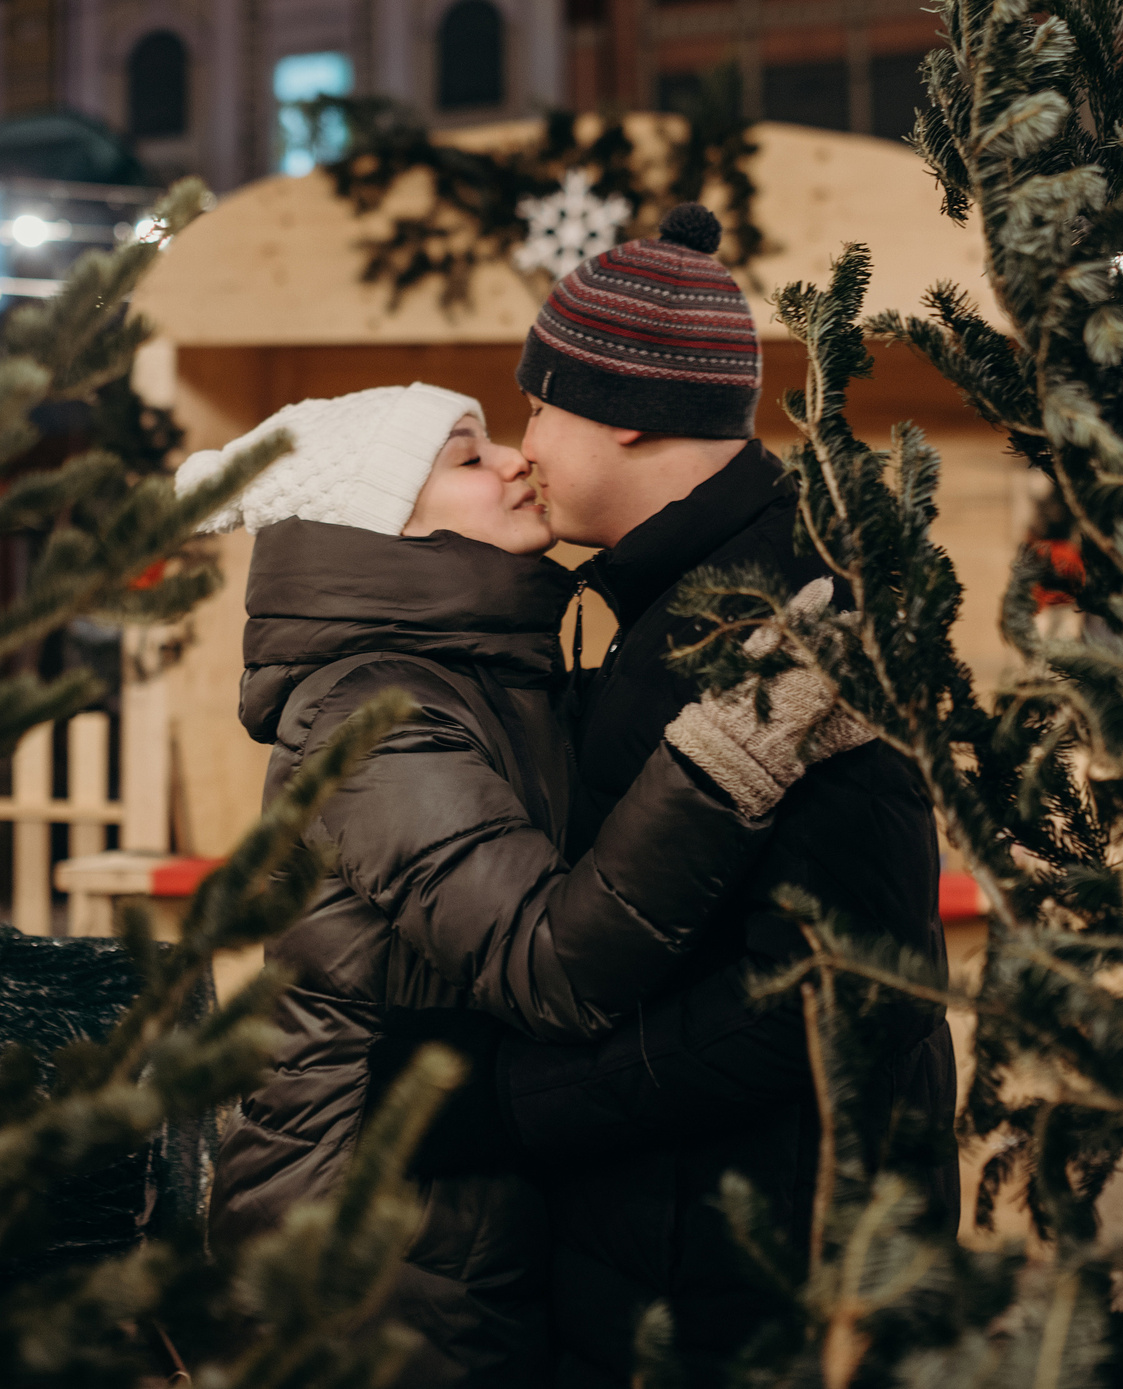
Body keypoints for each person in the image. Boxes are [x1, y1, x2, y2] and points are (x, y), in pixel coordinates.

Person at [179, 382, 864, 1387]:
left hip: (445, 1205)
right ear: (392, 530)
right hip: (366, 1241)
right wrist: (728, 755)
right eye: (467, 457)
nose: (512, 460)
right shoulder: (377, 713)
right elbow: (547, 960)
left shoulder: (490, 677)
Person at [425, 206, 958, 1386]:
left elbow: (836, 991)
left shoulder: (791, 608)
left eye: (536, 409)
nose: (520, 450)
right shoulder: (679, 597)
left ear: (623, 409)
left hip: (764, 1283)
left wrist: (507, 1104)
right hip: (684, 1257)